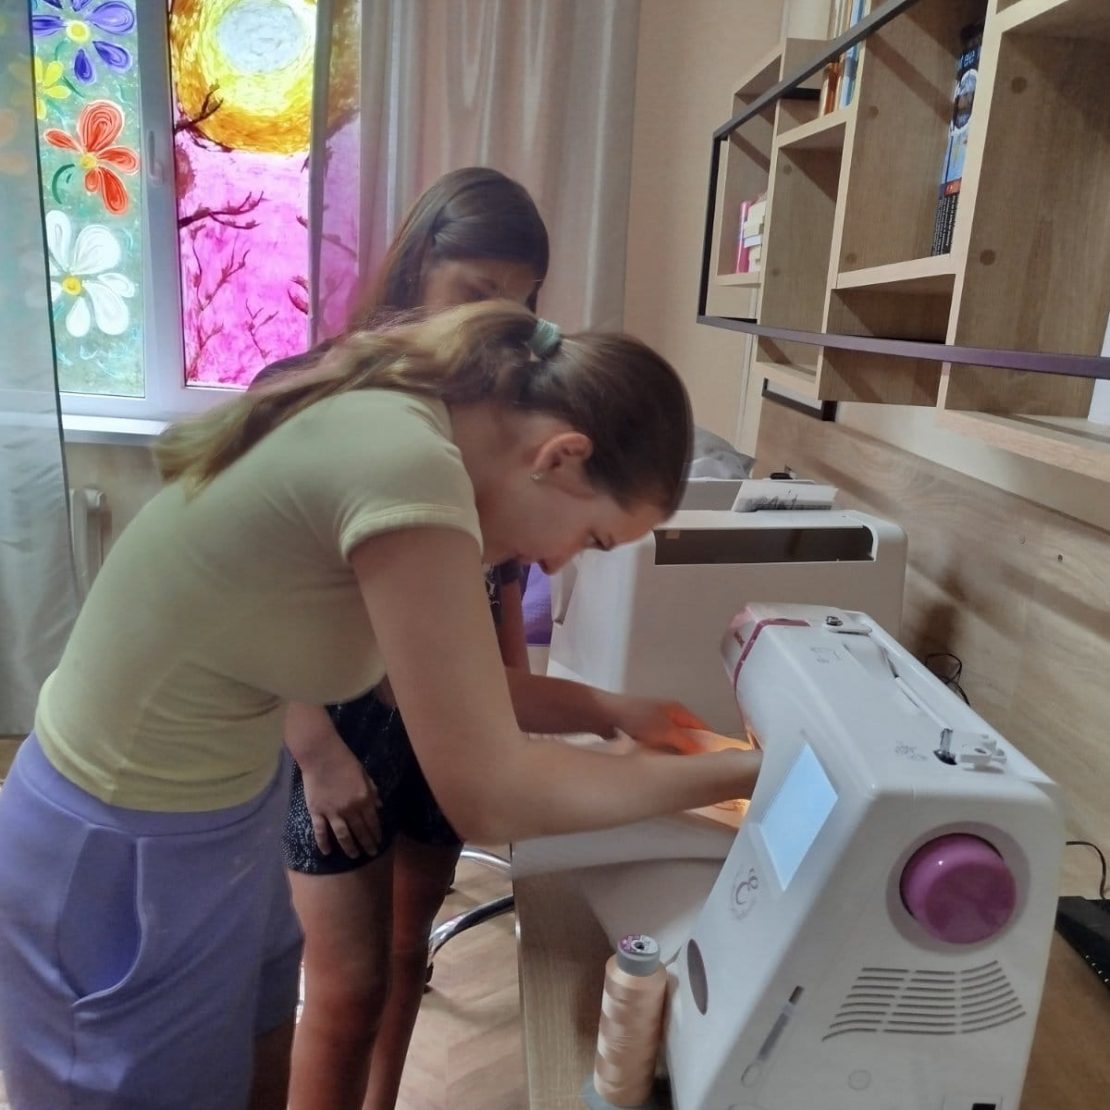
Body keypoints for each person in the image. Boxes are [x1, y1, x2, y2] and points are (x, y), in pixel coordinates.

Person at [0, 299, 762, 1110]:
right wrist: (748, 773)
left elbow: (433, 684)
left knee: (248, 1080)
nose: (556, 562)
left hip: (221, 818)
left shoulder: (411, 427)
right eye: (593, 538)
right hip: (124, 848)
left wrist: (613, 712)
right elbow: (490, 792)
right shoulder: (408, 462)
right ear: (562, 456)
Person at [267, 169, 719, 1110]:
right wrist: (315, 752)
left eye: (521, 301)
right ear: (416, 264)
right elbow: (274, 621)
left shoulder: (488, 452)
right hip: (334, 729)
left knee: (404, 958)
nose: (500, 320)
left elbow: (492, 654)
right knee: (343, 988)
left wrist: (595, 713)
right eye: (480, 291)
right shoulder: (385, 437)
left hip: (427, 721)